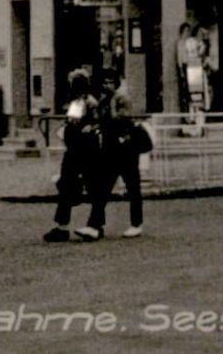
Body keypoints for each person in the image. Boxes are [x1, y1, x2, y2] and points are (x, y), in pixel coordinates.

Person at [44, 68, 109, 242]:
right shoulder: (85, 102)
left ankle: (76, 225)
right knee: (83, 185)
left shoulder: (84, 102)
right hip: (82, 150)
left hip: (82, 151)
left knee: (79, 185)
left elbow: (79, 126)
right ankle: (90, 225)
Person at [101, 85, 148, 238]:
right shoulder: (106, 100)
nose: (106, 85)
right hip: (114, 149)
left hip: (126, 149)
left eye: (109, 82)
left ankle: (136, 224)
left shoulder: (121, 98)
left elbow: (124, 118)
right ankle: (95, 223)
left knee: (132, 187)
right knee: (105, 186)